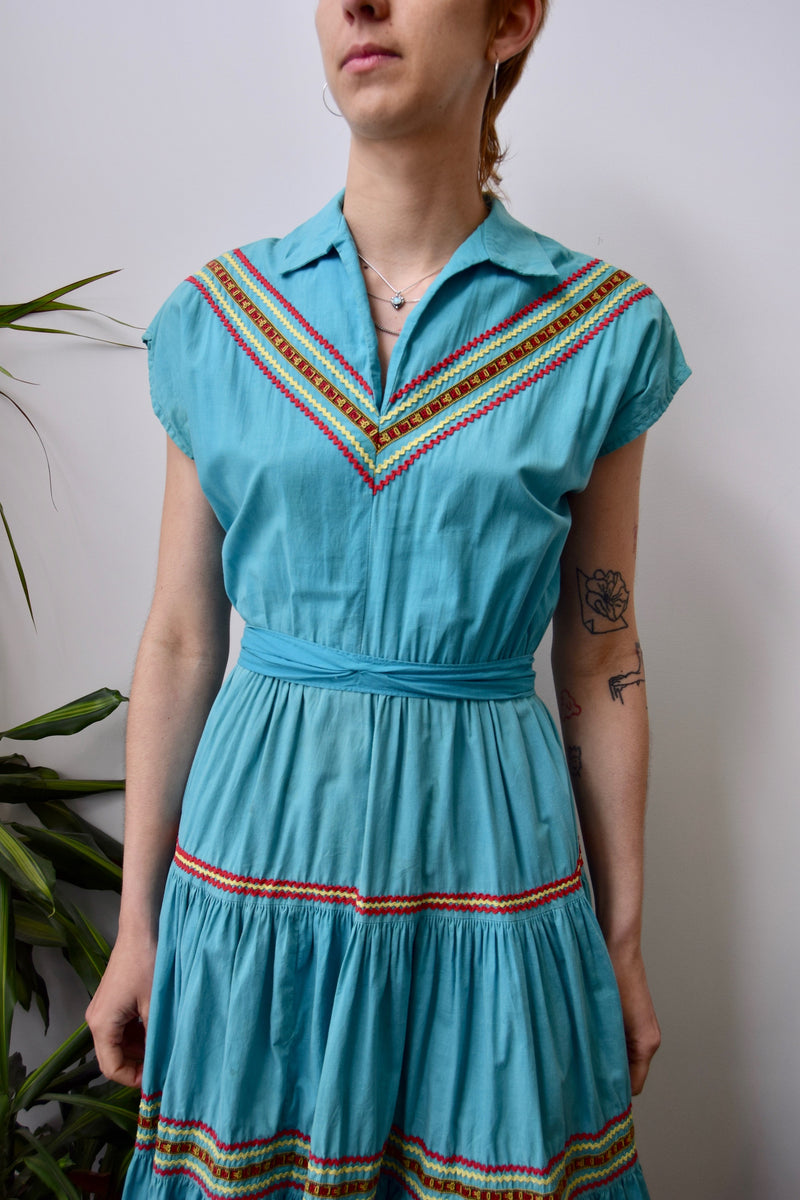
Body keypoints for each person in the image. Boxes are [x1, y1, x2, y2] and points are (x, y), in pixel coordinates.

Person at [87, 2, 690, 1197]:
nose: (357, 3)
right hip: (252, 872)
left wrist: (620, 942)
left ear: (510, 20)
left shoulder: (597, 331)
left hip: (490, 876)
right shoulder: (221, 321)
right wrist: (136, 928)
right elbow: (180, 639)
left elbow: (598, 652)